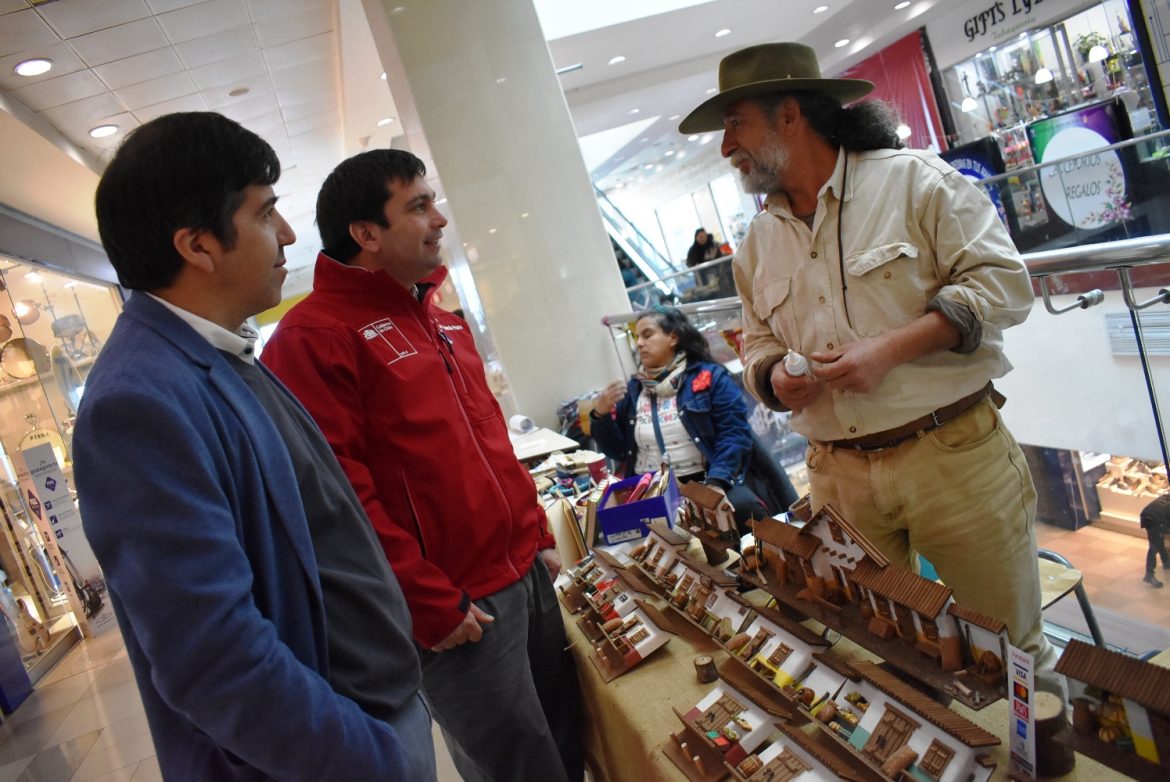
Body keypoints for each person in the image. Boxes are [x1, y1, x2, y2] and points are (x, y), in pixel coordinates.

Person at [679, 42, 1062, 692]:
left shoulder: (916, 183)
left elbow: (1005, 285)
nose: (725, 147)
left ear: (790, 115)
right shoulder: (756, 245)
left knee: (1012, 656)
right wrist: (772, 378)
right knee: (886, 653)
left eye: (735, 123)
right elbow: (757, 345)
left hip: (954, 458)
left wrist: (893, 348)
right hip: (839, 481)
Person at [73, 113, 434, 780]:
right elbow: (212, 659)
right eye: (267, 214)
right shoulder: (137, 403)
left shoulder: (216, 351)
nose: (289, 234)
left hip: (375, 710)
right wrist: (368, 756)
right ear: (199, 246)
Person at [260, 148, 584, 782]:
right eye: (418, 206)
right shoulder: (314, 336)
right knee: (516, 766)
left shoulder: (439, 321)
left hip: (525, 575)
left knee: (568, 742)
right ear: (366, 233)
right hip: (459, 605)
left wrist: (537, 536)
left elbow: (486, 441)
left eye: (432, 201)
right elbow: (336, 498)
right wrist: (424, 599)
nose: (440, 218)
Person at [591, 306, 781, 533]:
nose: (639, 343)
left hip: (702, 482)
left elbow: (734, 436)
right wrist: (599, 416)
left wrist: (716, 483)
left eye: (647, 335)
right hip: (647, 489)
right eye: (636, 337)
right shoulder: (635, 388)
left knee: (738, 511)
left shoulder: (710, 377)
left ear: (673, 337)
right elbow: (619, 451)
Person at [1140, 493, 1170, 587]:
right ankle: (1149, 575)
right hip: (1152, 519)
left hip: (1152, 515)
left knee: (1159, 540)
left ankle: (1166, 562)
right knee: (1154, 546)